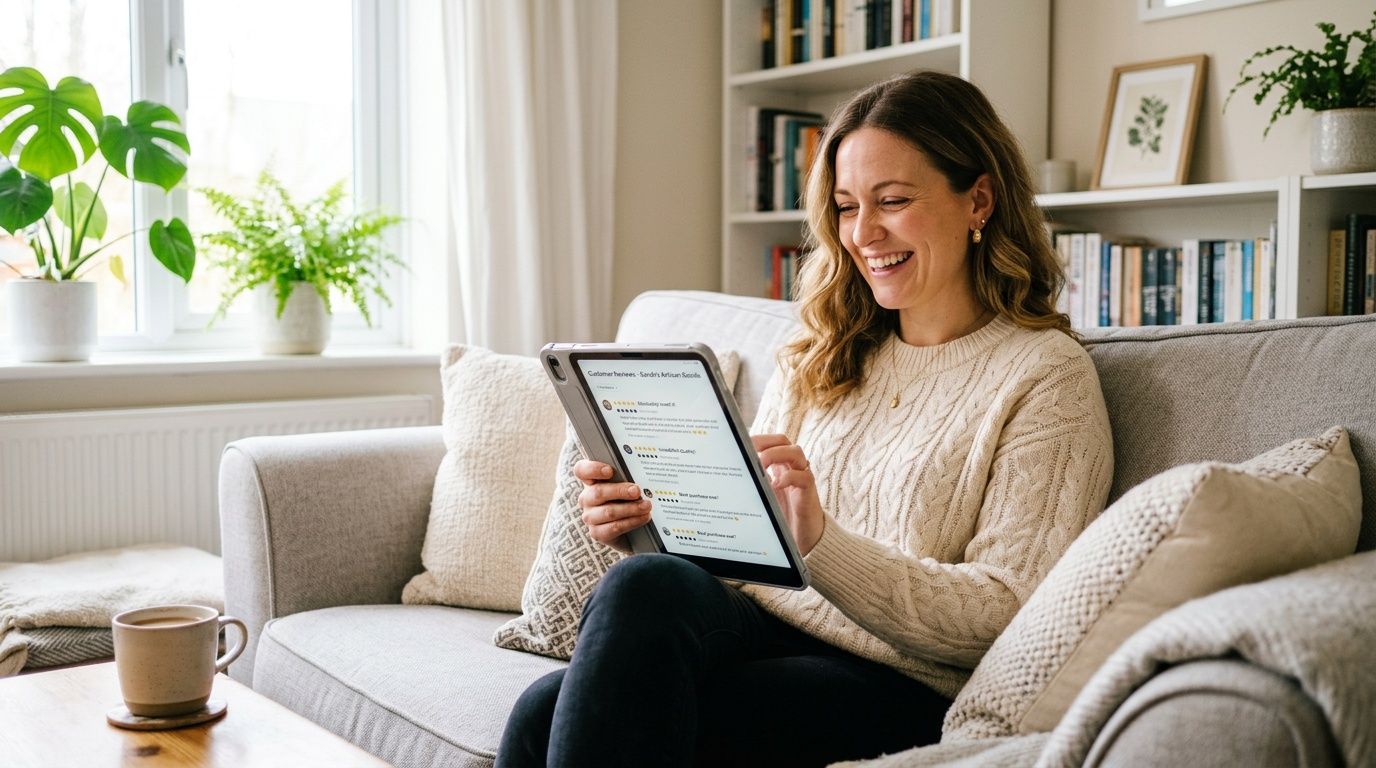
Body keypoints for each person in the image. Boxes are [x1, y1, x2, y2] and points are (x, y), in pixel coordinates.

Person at [496, 70, 1114, 768]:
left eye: (894, 201)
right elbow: (744, 558)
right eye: (847, 207)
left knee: (554, 719)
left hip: (902, 680)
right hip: (766, 625)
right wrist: (643, 525)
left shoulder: (1044, 376)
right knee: (610, 621)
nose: (863, 233)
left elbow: (1008, 611)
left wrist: (822, 544)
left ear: (979, 199)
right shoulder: (822, 348)